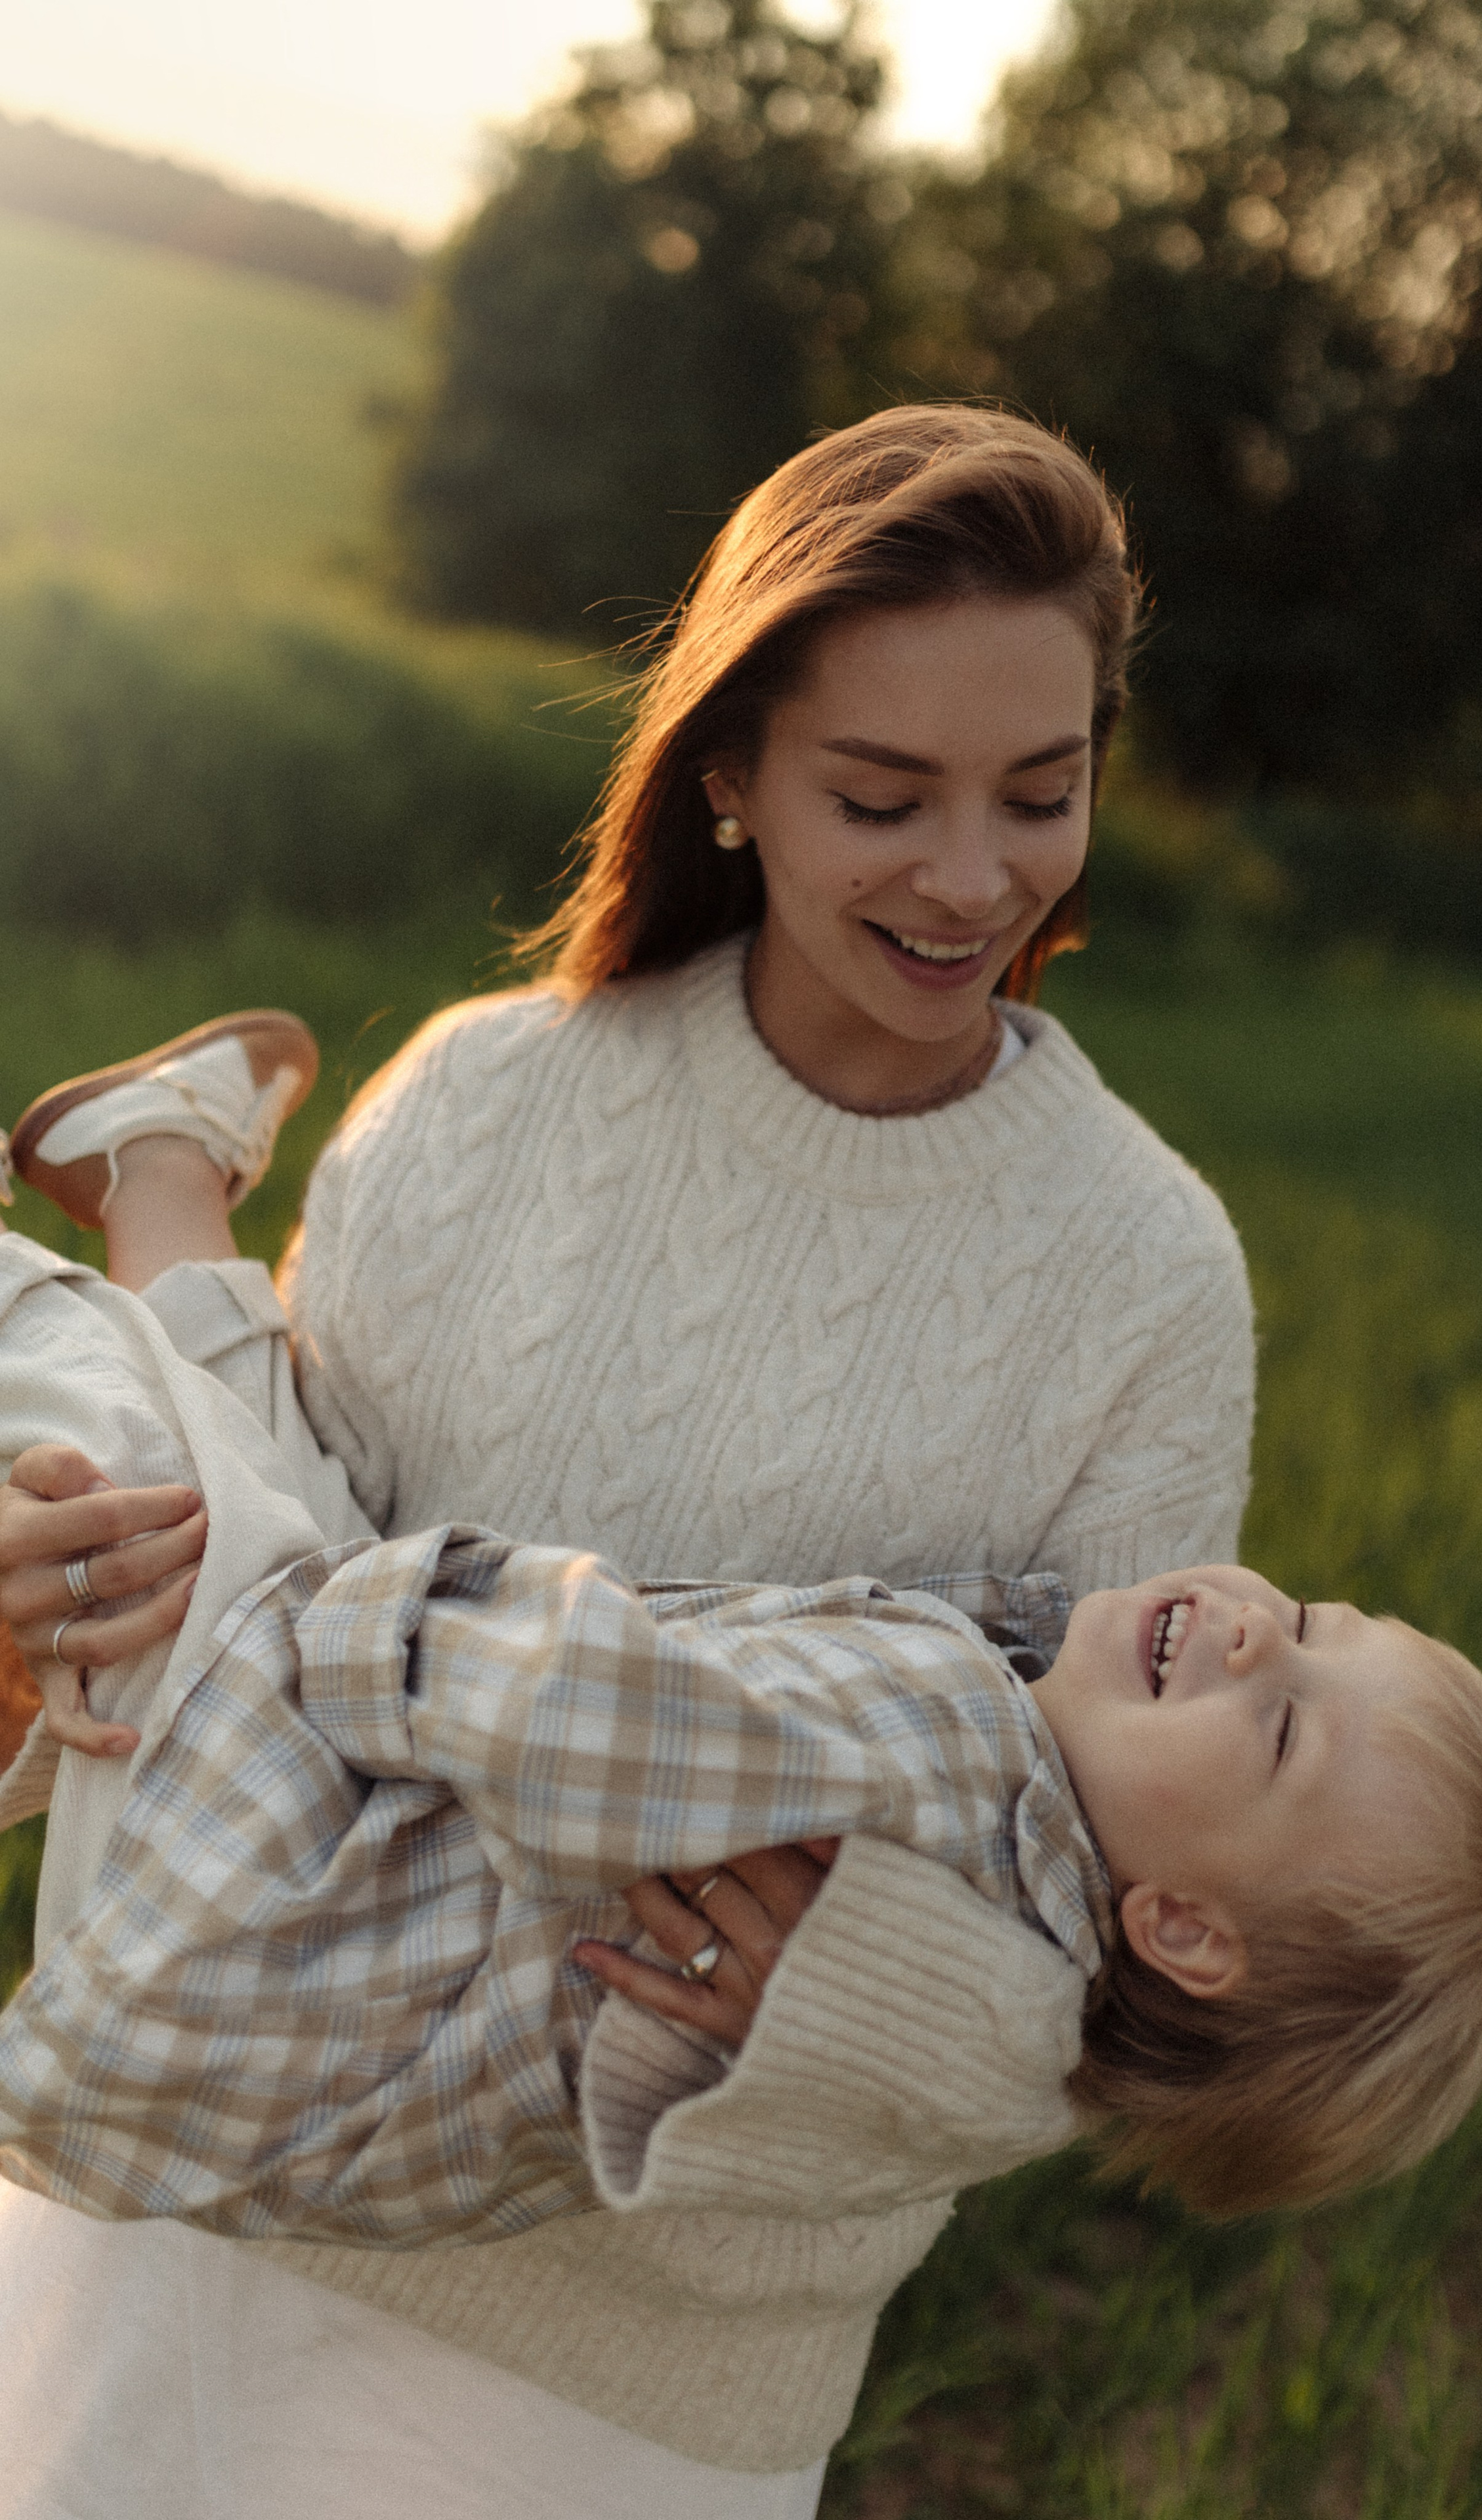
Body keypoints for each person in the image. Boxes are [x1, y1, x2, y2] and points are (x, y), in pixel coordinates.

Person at [0, 404, 1260, 2519]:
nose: (977, 879)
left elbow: (1134, 1912)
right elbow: (257, 1599)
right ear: (731, 779)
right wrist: (42, 1609)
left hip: (645, 2375)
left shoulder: (1145, 1278)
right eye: (885, 795)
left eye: (1043, 795)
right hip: (208, 2221)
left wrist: (849, 2002)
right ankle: (154, 1181)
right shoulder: (482, 1106)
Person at [0, 1216, 1482, 2265]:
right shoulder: (996, 2031)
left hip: (243, 1857)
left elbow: (579, 1723)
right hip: (201, 2057)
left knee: (78, 1355)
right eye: (1325, 1620)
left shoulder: (948, 1754)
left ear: (1183, 1928)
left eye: (1280, 1733)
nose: (1260, 1630)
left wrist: (324, 1619)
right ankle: (161, 1171)